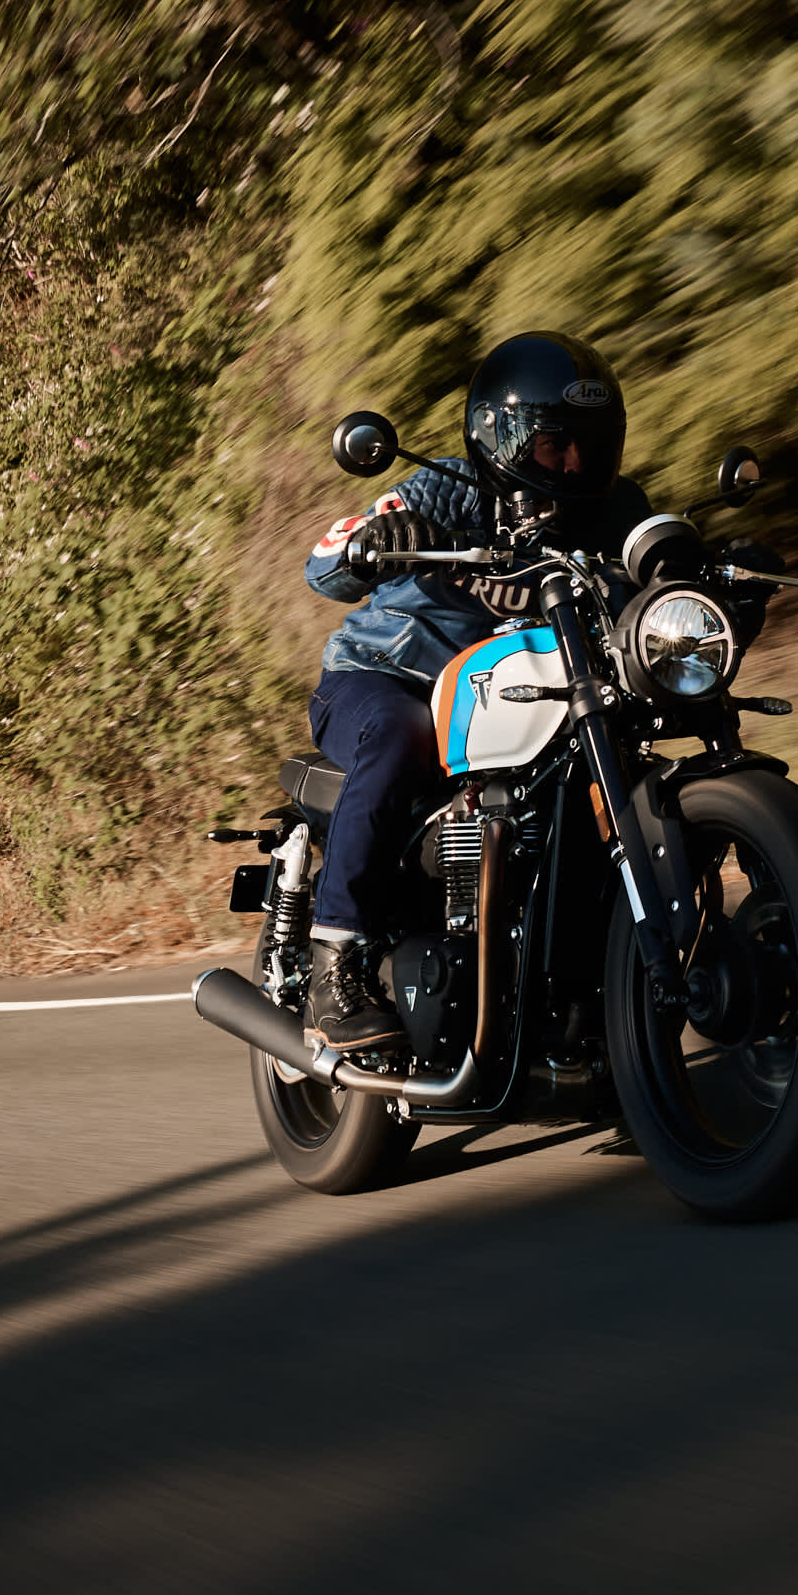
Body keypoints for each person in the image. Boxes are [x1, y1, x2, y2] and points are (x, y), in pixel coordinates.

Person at [299, 327, 656, 1055]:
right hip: (384, 678)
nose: (576, 461)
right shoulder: (446, 489)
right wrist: (378, 540)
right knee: (404, 735)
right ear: (504, 437)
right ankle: (333, 963)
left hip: (528, 699)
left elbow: (656, 555)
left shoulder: (614, 507)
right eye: (557, 444)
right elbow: (325, 562)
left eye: (591, 442)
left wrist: (707, 564)